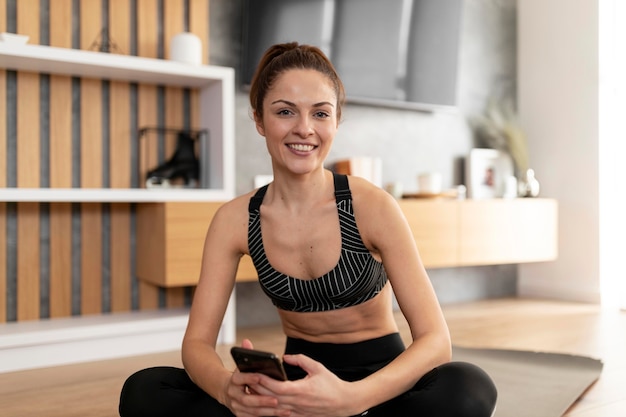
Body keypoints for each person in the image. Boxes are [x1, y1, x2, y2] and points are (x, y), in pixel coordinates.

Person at [119, 42, 497, 417]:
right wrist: (225, 390)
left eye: (320, 113)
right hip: (295, 385)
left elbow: (435, 341)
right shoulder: (235, 219)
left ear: (336, 121)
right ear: (259, 120)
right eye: (285, 111)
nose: (304, 129)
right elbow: (198, 344)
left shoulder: (371, 206)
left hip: (378, 387)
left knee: (468, 388)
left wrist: (353, 398)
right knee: (144, 390)